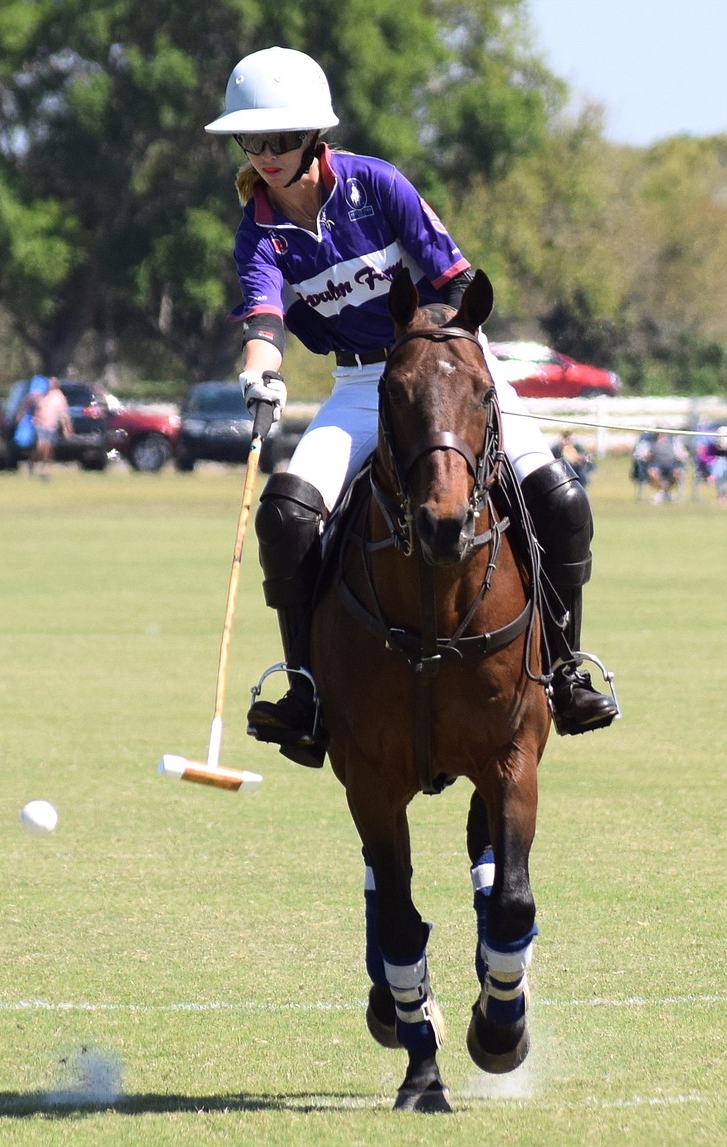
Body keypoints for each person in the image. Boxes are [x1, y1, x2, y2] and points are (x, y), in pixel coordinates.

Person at [205, 47, 619, 766]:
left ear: (312, 137)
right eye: (251, 140)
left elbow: (455, 282)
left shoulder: (376, 185)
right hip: (363, 388)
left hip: (451, 370)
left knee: (561, 501)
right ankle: (305, 687)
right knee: (286, 515)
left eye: (278, 139)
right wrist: (259, 375)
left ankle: (564, 667)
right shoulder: (260, 233)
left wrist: (431, 359)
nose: (264, 154)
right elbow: (263, 322)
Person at [30, 376, 72, 478]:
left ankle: (45, 470)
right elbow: (33, 405)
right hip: (40, 424)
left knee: (48, 449)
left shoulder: (59, 397)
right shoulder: (41, 394)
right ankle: (32, 461)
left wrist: (67, 428)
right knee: (40, 446)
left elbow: (64, 414)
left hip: (51, 426)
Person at [644, 432, 686, 503]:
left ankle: (664, 493)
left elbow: (682, 454)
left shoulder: (673, 441)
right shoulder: (649, 442)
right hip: (656, 463)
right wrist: (647, 456)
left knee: (677, 473)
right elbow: (643, 455)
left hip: (671, 464)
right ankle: (663, 492)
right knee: (653, 473)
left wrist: (681, 456)